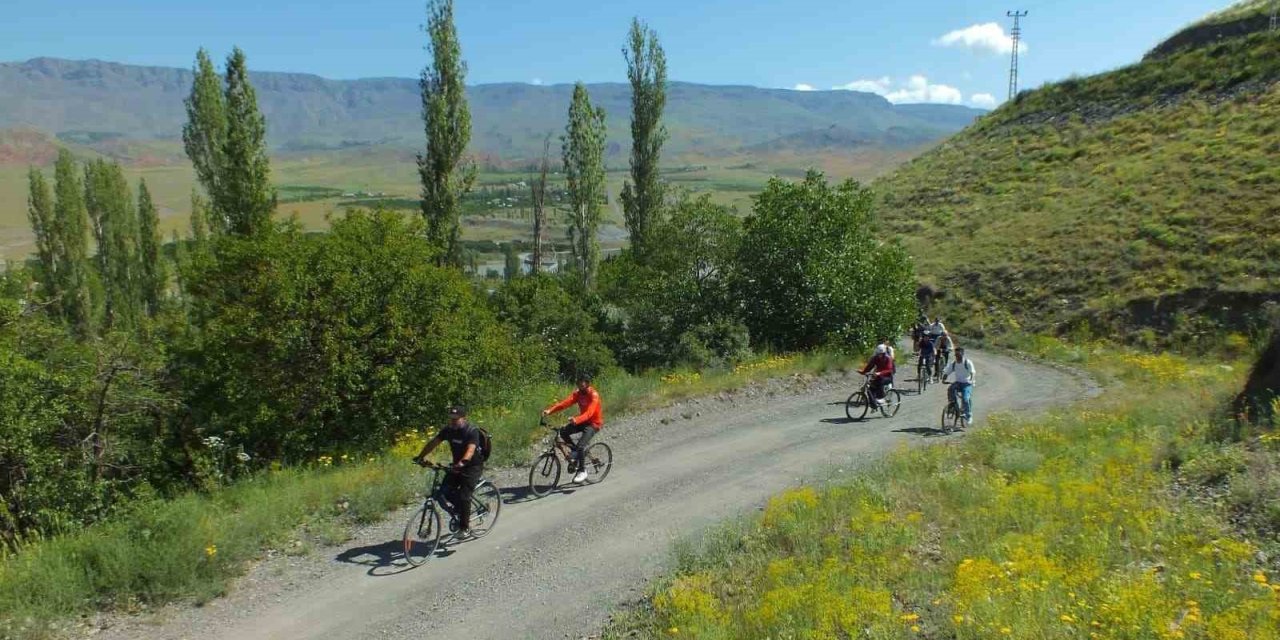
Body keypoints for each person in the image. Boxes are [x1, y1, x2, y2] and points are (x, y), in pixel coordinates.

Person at [412, 405, 485, 538]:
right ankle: (461, 510)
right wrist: (420, 457)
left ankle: (464, 528)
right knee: (443, 491)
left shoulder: (471, 431)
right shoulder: (448, 430)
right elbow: (433, 443)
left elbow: (470, 450)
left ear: (464, 418)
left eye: (456, 419)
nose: (453, 421)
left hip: (472, 466)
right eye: (451, 418)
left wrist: (462, 463)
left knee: (464, 496)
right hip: (456, 466)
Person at [543, 373, 604, 484]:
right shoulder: (578, 393)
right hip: (583, 421)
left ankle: (582, 471)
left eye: (582, 384)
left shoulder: (593, 395)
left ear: (587, 384)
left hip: (594, 424)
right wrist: (550, 411)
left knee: (581, 446)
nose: (580, 386)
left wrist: (576, 419)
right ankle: (575, 454)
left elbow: (590, 413)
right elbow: (564, 404)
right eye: (578, 383)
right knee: (563, 432)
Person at [942, 347, 977, 426]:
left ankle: (968, 415)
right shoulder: (954, 363)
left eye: (959, 355)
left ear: (962, 354)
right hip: (958, 382)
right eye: (956, 355)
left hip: (967, 383)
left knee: (965, 399)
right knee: (950, 389)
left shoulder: (967, 362)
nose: (957, 356)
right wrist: (944, 378)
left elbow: (972, 372)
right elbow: (947, 372)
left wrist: (971, 379)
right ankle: (953, 406)